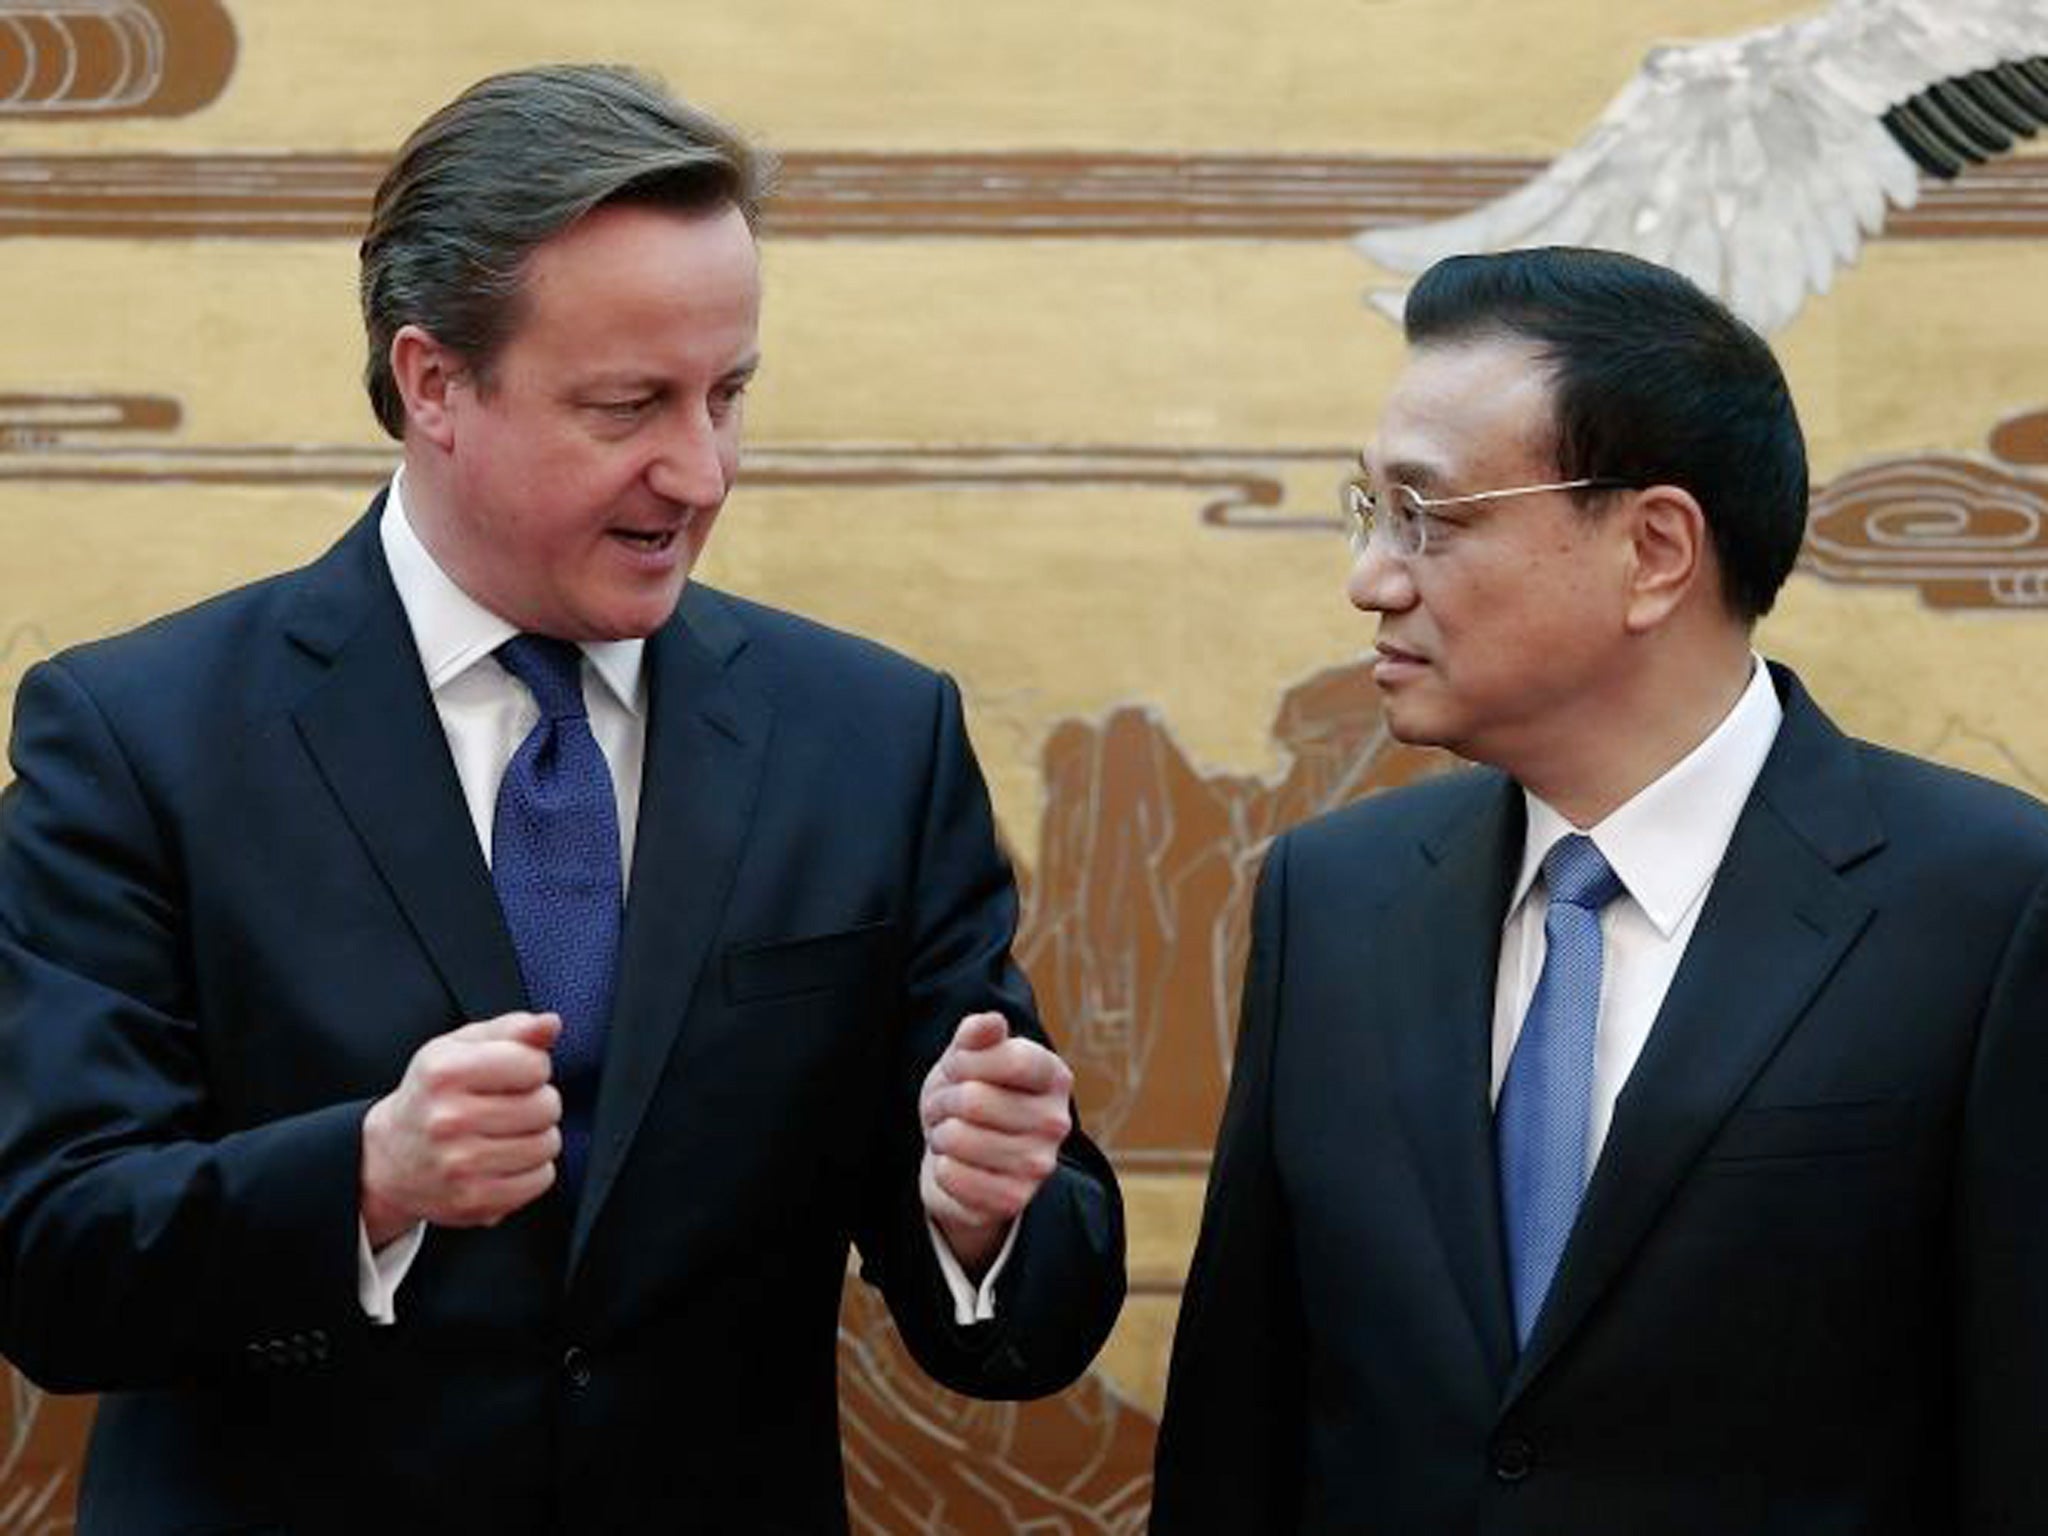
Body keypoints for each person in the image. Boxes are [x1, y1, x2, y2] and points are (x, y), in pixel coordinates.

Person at [0, 64, 1123, 1534]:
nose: (702, 470)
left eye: (728, 396)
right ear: (434, 383)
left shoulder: (871, 738)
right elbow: (54, 1262)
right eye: (628, 406)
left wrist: (979, 1211)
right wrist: (366, 1180)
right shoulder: (140, 738)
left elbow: (1021, 1311)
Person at [1151, 246, 2048, 1533]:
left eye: (1431, 518)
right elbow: (1241, 1430)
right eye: (1371, 516)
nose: (1372, 579)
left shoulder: (1987, 907)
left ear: (1652, 549)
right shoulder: (1333, 901)